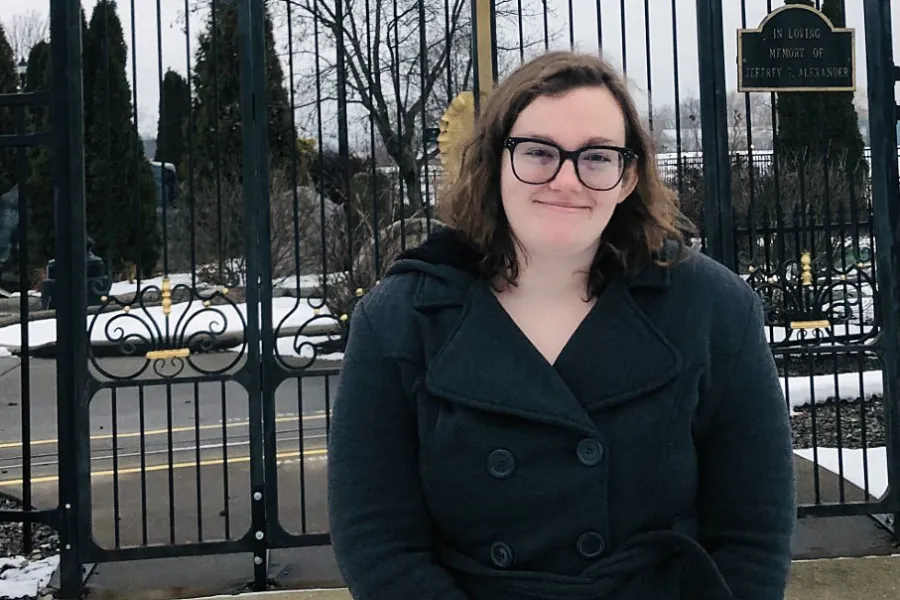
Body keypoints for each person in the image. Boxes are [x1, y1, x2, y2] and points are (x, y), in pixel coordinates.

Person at [327, 50, 796, 600]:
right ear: (496, 163)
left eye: (597, 157)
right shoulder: (399, 321)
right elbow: (378, 543)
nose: (566, 180)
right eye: (538, 152)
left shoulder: (714, 310)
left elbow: (753, 535)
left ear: (628, 178)